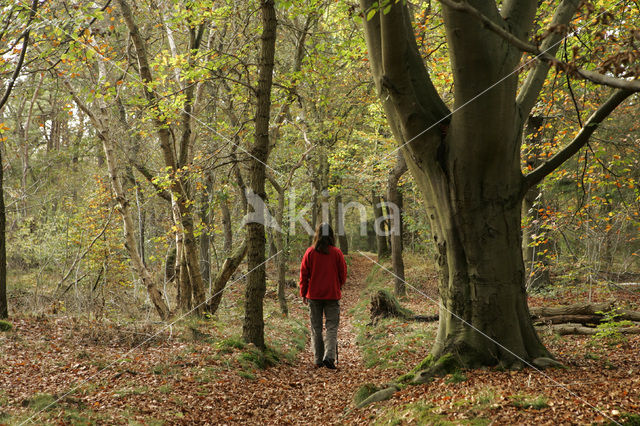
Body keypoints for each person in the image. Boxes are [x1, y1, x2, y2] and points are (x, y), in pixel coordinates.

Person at [299, 223, 347, 370]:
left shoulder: (310, 253)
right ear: (331, 235)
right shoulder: (337, 253)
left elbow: (303, 275)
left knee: (316, 327)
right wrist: (338, 285)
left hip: (314, 295)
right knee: (332, 326)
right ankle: (329, 357)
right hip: (332, 295)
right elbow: (343, 274)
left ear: (317, 235)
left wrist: (303, 292)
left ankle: (318, 359)